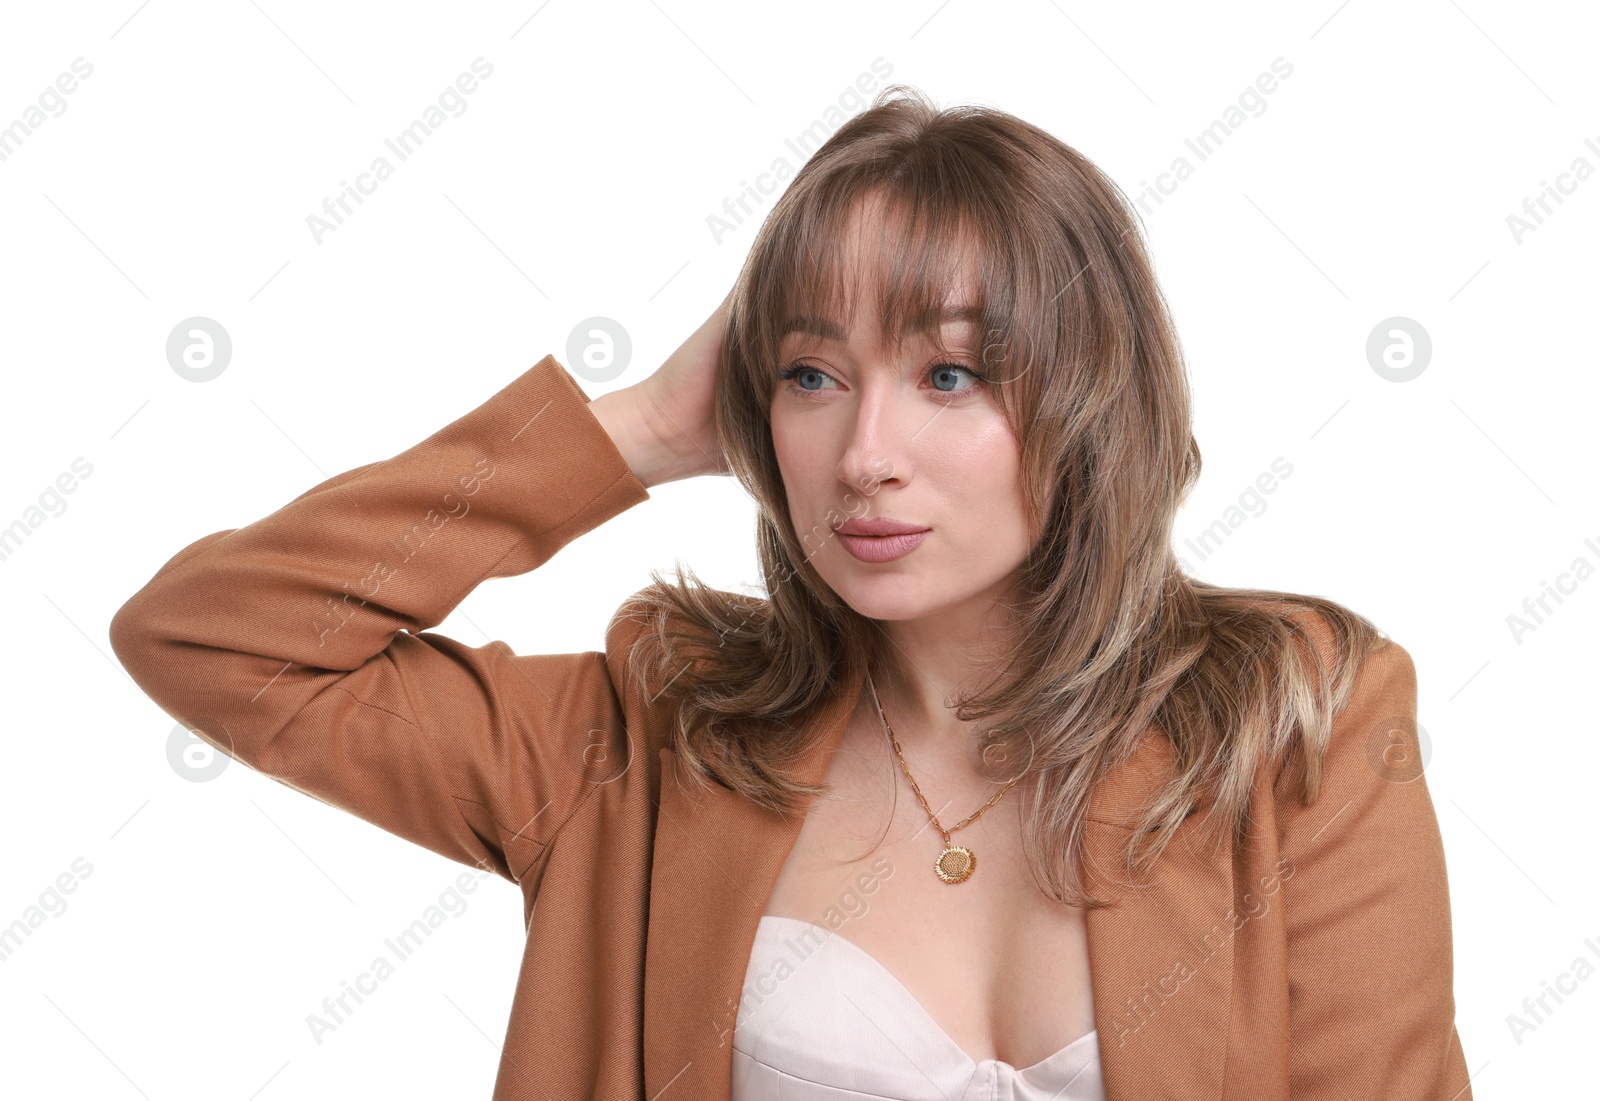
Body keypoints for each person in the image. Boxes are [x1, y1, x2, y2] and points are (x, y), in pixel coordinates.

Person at [110, 84, 1471, 1100]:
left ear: (1090, 395)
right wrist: (636, 428)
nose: (864, 456)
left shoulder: (1300, 721)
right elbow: (215, 636)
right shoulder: (647, 738)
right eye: (813, 374)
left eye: (949, 374)